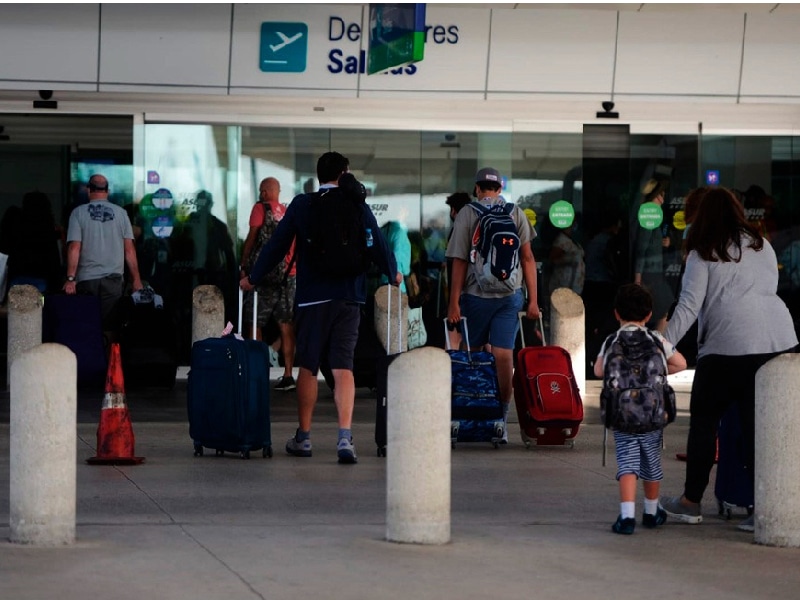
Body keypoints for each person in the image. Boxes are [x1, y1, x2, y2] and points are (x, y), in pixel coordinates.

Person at [240, 152, 398, 464]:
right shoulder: (357, 203)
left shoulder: (302, 204)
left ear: (319, 174)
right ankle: (344, 438)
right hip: (350, 296)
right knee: (343, 367)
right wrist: (392, 272)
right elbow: (376, 242)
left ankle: (305, 437)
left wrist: (253, 277)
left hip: (312, 298)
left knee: (309, 366)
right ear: (345, 173)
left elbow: (277, 246)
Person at [659, 186, 798, 532]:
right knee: (759, 430)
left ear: (700, 216)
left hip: (727, 347)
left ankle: (691, 502)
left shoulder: (702, 252)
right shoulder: (760, 244)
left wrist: (660, 346)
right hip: (778, 342)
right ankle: (762, 508)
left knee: (704, 424)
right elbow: (769, 288)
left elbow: (689, 305)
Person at [445, 167, 540, 442]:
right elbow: (528, 258)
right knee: (503, 356)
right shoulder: (515, 212)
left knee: (472, 354)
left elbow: (459, 260)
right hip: (510, 297)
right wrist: (533, 301)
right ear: (499, 189)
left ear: (477, 188)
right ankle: (501, 418)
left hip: (476, 297)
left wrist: (454, 303)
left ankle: (470, 414)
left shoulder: (467, 213)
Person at [594, 283, 687, 535]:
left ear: (616, 314)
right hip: (653, 412)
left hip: (622, 413)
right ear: (648, 315)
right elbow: (681, 362)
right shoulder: (656, 339)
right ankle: (651, 510)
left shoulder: (612, 339)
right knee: (651, 461)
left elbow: (599, 371)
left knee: (627, 463)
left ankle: (626, 517)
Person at [239, 177, 297, 391]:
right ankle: (289, 374)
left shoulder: (260, 208)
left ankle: (257, 371)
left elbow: (252, 238)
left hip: (263, 276)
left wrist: (244, 264)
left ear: (264, 192)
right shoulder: (288, 212)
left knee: (254, 320)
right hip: (288, 276)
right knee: (286, 324)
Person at [64, 174, 143, 330]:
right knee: (110, 328)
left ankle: (90, 354)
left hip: (86, 280)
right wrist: (136, 280)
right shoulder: (121, 214)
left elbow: (74, 247)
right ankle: (108, 354)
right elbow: (129, 250)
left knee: (87, 327)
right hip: (113, 280)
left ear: (89, 190)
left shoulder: (78, 213)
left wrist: (71, 278)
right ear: (107, 191)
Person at [633, 178, 673, 331]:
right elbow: (641, 250)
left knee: (661, 311)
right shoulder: (647, 218)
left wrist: (664, 242)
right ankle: (655, 347)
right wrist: (638, 279)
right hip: (650, 276)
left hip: (653, 274)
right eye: (659, 195)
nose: (662, 200)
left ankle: (654, 345)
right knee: (664, 309)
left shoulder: (651, 220)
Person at [6, 191, 64, 294]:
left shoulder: (16, 226)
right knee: (39, 306)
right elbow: (54, 259)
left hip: (18, 276)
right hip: (42, 278)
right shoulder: (48, 229)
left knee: (17, 306)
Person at [547, 220, 585, 296]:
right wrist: (569, 261)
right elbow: (552, 259)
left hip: (574, 287)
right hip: (564, 284)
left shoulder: (572, 240)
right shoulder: (561, 240)